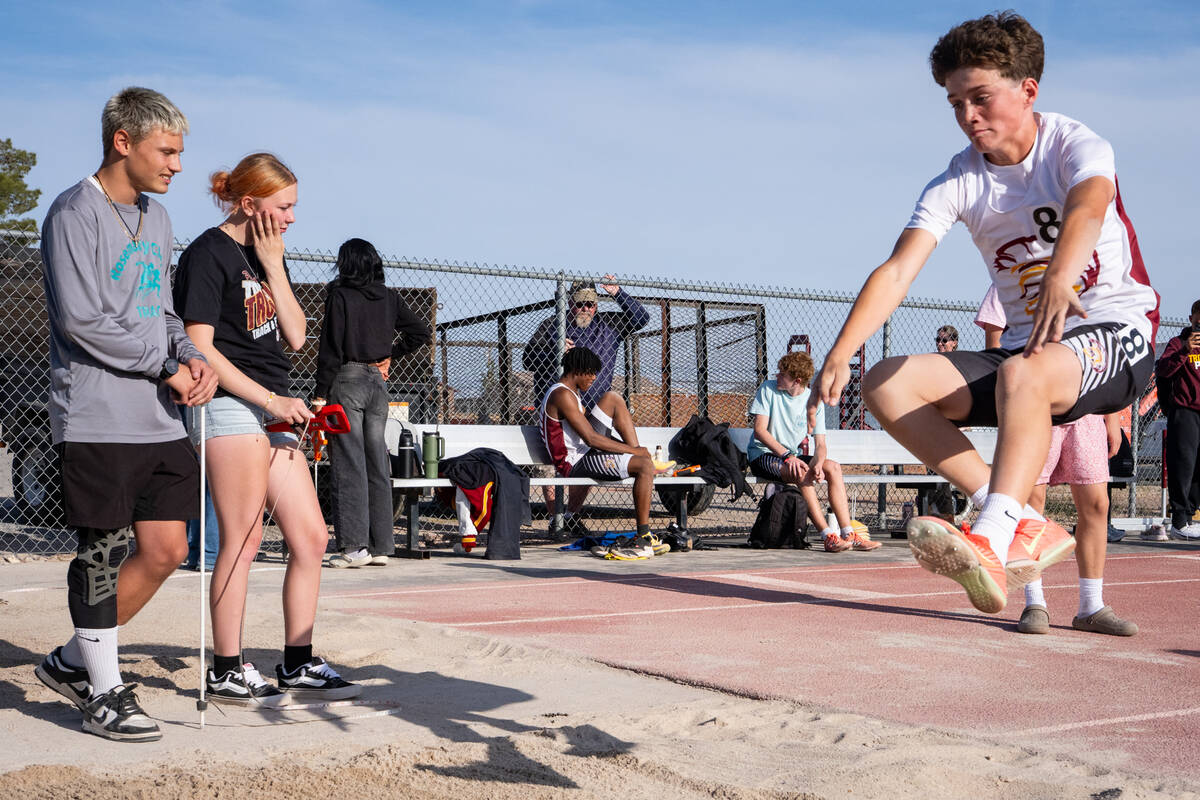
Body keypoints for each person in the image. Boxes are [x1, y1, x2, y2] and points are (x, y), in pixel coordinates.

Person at [808, 12, 1159, 615]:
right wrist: (841, 351)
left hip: (1116, 334)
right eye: (955, 104)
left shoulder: (1074, 144)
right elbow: (898, 270)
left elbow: (1088, 206)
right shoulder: (959, 179)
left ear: (1028, 90)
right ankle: (1020, 522)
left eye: (980, 98)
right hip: (1031, 350)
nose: (968, 116)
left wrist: (1061, 273)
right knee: (886, 383)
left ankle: (992, 536)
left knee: (1025, 371)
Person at [34, 87, 218, 742]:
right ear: (123, 142)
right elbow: (82, 322)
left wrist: (191, 356)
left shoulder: (157, 218)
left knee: (167, 550)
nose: (177, 165)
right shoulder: (72, 212)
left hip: (158, 417)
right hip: (97, 413)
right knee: (104, 551)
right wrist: (165, 365)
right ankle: (104, 693)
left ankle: (70, 663)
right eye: (166, 151)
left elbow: (160, 311)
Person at [174, 152, 360, 705]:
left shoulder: (264, 256)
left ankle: (298, 661)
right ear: (250, 203)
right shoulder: (208, 253)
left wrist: (275, 267)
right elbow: (200, 348)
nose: (292, 217)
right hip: (229, 402)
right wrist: (270, 399)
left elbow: (297, 337)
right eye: (284, 206)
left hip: (273, 405)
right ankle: (226, 668)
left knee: (311, 536)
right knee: (244, 536)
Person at [977, 285, 1136, 634]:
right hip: (1034, 408)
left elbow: (1104, 352)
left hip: (1086, 407)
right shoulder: (1011, 275)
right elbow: (995, 344)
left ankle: (1091, 606)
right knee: (1031, 505)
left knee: (1097, 504)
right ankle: (1034, 602)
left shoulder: (1087, 282)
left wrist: (1111, 416)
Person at [312, 238, 432, 568]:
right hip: (377, 385)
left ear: (346, 264)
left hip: (347, 380)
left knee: (349, 463)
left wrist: (320, 393)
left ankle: (354, 548)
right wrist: (389, 355)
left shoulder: (339, 294)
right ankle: (381, 547)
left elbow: (330, 346)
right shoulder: (389, 297)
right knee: (377, 464)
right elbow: (420, 332)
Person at [523, 277, 650, 535]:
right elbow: (528, 359)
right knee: (555, 465)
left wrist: (618, 293)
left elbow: (641, 319)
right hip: (562, 415)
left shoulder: (609, 324)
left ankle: (571, 515)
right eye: (580, 304)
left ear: (597, 305)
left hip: (591, 411)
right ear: (570, 303)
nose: (585, 309)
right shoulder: (552, 326)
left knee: (614, 398)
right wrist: (554, 349)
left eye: (590, 304)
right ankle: (556, 519)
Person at [540, 347, 673, 545]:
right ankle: (643, 536)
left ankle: (641, 458)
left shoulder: (571, 393)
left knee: (613, 398)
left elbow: (592, 433)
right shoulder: (561, 395)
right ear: (577, 370)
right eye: (590, 372)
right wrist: (633, 451)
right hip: (574, 462)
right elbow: (591, 438)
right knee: (644, 467)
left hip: (586, 453)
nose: (594, 378)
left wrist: (633, 451)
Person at [748, 352, 880, 552]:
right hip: (763, 455)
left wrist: (818, 463)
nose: (777, 376)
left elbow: (820, 445)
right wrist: (787, 456)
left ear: (797, 380)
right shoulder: (768, 389)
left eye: (782, 374)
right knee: (802, 473)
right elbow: (760, 431)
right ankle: (828, 536)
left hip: (791, 457)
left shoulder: (813, 400)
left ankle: (848, 534)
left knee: (833, 467)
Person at [1155, 299, 1200, 539]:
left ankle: (1190, 516)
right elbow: (1163, 370)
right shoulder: (1178, 343)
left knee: (1198, 467)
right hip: (1185, 412)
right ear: (1192, 318)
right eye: (1199, 320)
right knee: (1183, 465)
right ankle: (1179, 520)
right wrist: (1185, 350)